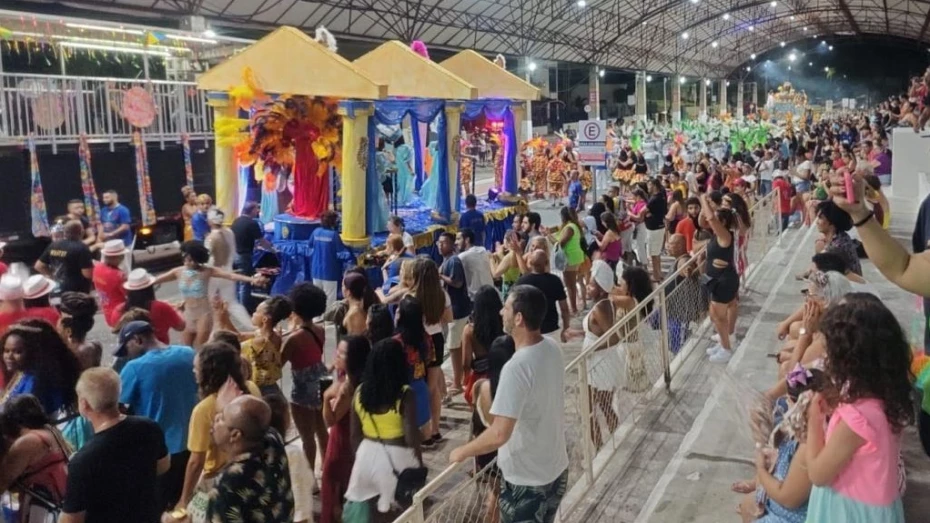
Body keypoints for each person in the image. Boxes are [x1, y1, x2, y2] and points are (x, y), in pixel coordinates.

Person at [449, 285, 569, 523]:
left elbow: (499, 433)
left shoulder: (516, 367)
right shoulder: (552, 347)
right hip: (555, 468)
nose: (501, 312)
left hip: (527, 480)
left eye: (506, 308)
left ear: (519, 318)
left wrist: (462, 452)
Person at [805, 296, 912, 522]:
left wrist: (813, 420)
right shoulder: (888, 400)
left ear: (847, 360)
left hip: (846, 512)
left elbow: (817, 474)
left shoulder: (857, 420)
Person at [61, 368, 170, 523]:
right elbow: (163, 465)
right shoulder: (149, 427)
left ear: (84, 404)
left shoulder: (83, 461)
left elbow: (72, 519)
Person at [115, 320, 198, 510]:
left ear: (137, 339)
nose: (127, 354)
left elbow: (116, 407)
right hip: (192, 443)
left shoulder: (134, 367)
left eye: (127, 348)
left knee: (155, 506)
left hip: (159, 450)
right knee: (184, 505)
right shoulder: (188, 353)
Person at [176, 343, 262, 516]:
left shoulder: (203, 410)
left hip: (216, 476)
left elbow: (196, 462)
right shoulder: (251, 389)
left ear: (208, 373)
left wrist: (183, 500)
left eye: (196, 368)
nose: (194, 371)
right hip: (254, 468)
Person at [343, 338, 424, 520]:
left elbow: (354, 436)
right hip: (397, 459)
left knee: (372, 515)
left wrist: (363, 459)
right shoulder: (405, 395)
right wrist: (418, 469)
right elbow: (411, 439)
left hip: (366, 458)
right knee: (397, 515)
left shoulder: (360, 392)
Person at [151, 241, 259, 349]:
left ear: (199, 259)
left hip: (203, 314)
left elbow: (230, 276)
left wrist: (252, 280)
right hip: (188, 314)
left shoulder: (207, 271)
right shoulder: (177, 272)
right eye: (186, 259)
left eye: (192, 260)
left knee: (200, 347)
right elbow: (154, 280)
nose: (189, 263)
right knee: (186, 348)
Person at [203, 395, 294, 522]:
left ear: (235, 435)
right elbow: (253, 418)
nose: (216, 417)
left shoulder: (229, 483)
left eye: (222, 418)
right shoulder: (273, 440)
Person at [320, 335, 371, 523]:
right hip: (358, 442)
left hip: (341, 444)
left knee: (332, 487)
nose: (337, 355)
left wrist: (326, 397)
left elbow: (330, 421)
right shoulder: (365, 381)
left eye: (342, 353)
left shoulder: (347, 388)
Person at [0, 395, 70, 522]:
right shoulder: (50, 430)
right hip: (62, 498)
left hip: (43, 508)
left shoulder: (28, 441)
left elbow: (3, 481)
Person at [283, 282, 330, 472]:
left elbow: (278, 362)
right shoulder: (320, 330)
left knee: (307, 438)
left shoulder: (293, 339)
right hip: (322, 380)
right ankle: (326, 467)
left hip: (303, 388)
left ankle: (309, 475)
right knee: (322, 429)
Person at [468, 335, 515, 523]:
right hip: (509, 449)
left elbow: (475, 418)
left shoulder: (480, 386)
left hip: (487, 452)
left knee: (494, 492)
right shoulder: (516, 388)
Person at [406, 259, 451, 444]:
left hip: (418, 342)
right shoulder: (442, 295)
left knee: (418, 386)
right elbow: (449, 318)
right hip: (436, 339)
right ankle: (435, 430)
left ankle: (421, 428)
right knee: (433, 388)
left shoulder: (412, 296)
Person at [1, 319, 81, 416]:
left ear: (34, 351)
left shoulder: (37, 383)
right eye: (6, 351)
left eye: (17, 352)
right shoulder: (24, 373)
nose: (9, 356)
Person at [701, 193, 740, 363]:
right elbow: (704, 220)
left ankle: (726, 349)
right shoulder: (718, 236)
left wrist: (701, 197)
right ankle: (724, 343)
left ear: (722, 223)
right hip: (718, 280)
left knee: (718, 316)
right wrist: (706, 204)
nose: (712, 222)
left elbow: (710, 218)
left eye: (716, 220)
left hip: (723, 281)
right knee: (715, 314)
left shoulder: (725, 236)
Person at [234, 295, 293, 395]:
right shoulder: (274, 336)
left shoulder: (261, 341)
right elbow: (240, 336)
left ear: (264, 319)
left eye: (256, 312)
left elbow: (235, 340)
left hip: (260, 390)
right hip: (271, 386)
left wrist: (221, 317)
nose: (253, 314)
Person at [205, 207, 253, 329]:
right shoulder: (229, 232)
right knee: (232, 303)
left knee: (209, 303)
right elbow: (233, 252)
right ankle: (251, 327)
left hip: (214, 273)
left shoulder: (211, 237)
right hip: (228, 269)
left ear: (210, 221)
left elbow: (208, 259)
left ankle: (215, 330)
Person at [394, 296, 434, 439]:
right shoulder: (426, 338)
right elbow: (429, 360)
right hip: (420, 386)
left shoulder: (396, 342)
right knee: (423, 429)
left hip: (400, 390)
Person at [438, 232, 472, 395]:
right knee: (455, 344)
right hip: (454, 309)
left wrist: (440, 276)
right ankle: (461, 378)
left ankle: (458, 382)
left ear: (452, 245)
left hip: (457, 310)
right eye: (439, 242)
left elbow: (457, 283)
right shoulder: (447, 260)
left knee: (453, 346)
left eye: (444, 242)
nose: (440, 245)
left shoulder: (454, 261)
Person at [117, 268, 186, 344]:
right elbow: (180, 326)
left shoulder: (119, 309)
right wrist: (177, 310)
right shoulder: (160, 307)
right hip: (160, 348)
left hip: (131, 350)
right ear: (149, 288)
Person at [461, 285, 504, 406]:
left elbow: (466, 362)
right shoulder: (504, 324)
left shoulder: (469, 330)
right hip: (502, 372)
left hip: (480, 377)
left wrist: (465, 379)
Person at [515, 249, 571, 343]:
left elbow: (516, 308)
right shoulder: (555, 280)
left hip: (530, 329)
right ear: (547, 263)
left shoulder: (522, 282)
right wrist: (566, 328)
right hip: (551, 327)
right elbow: (564, 308)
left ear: (530, 263)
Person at [231, 202, 273, 312]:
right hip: (244, 256)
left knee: (237, 281)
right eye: (256, 209)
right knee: (245, 283)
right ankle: (244, 309)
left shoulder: (236, 221)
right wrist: (272, 249)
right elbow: (262, 241)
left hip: (234, 254)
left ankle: (236, 305)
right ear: (252, 210)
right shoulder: (252, 223)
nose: (258, 211)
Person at [35, 220, 94, 294]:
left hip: (57, 288)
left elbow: (39, 266)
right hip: (76, 292)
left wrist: (52, 275)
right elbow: (88, 274)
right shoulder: (82, 248)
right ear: (82, 232)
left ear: (65, 232)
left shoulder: (53, 245)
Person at [311, 210, 354, 307]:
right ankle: (328, 317)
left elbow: (310, 247)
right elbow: (341, 253)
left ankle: (317, 315)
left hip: (316, 271)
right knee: (329, 301)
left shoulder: (315, 232)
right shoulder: (333, 235)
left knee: (317, 299)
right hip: (330, 273)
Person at [814, 200, 862, 276]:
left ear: (831, 222)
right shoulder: (841, 235)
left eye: (820, 218)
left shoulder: (837, 247)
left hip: (849, 282)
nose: (816, 222)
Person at [57, 292, 100, 367]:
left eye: (60, 318)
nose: (57, 321)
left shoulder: (65, 356)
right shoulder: (96, 346)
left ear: (68, 331)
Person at [92, 239, 128, 327]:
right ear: (117, 257)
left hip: (108, 313)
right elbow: (130, 294)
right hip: (122, 314)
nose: (123, 258)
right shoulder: (119, 275)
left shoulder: (97, 268)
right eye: (122, 256)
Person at [556, 206, 585, 314]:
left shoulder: (569, 228)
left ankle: (573, 308)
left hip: (570, 258)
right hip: (575, 256)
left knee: (570, 285)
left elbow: (561, 243)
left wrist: (549, 236)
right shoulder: (574, 225)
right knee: (571, 284)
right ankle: (574, 307)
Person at [457, 228, 494, 299]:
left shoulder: (462, 257)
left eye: (458, 239)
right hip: (491, 293)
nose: (456, 242)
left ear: (467, 240)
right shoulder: (483, 250)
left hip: (476, 297)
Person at [644, 178, 668, 281]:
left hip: (653, 229)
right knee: (657, 252)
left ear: (654, 185)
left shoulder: (654, 199)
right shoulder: (662, 196)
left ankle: (656, 275)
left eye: (649, 185)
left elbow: (644, 211)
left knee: (653, 254)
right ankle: (659, 272)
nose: (648, 187)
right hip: (660, 226)